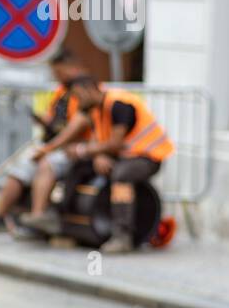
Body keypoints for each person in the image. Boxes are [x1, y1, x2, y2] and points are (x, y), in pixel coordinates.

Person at [22, 76, 175, 253]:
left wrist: (84, 151)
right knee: (79, 166)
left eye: (78, 97)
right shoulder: (96, 109)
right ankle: (61, 218)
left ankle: (122, 235)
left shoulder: (120, 104)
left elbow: (115, 143)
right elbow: (100, 141)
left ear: (89, 89)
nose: (77, 102)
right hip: (123, 155)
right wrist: (96, 156)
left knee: (121, 175)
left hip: (147, 156)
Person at [0, 49, 92, 233]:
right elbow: (53, 118)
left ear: (72, 68)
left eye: (59, 72)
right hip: (53, 144)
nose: (57, 76)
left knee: (47, 164)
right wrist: (41, 121)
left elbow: (76, 127)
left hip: (74, 147)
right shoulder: (61, 91)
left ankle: (38, 216)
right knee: (21, 167)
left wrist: (48, 149)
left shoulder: (85, 89)